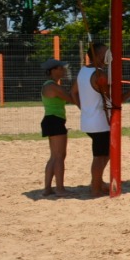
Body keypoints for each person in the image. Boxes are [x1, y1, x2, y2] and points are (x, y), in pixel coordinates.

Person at [70, 42, 130, 198]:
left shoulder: (83, 71)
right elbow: (116, 101)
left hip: (89, 121)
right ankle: (95, 188)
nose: (109, 55)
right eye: (106, 52)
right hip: (99, 123)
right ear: (99, 55)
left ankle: (97, 183)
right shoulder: (99, 75)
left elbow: (73, 93)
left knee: (104, 154)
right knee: (100, 157)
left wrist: (84, 109)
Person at [40, 58, 73, 197]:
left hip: (51, 120)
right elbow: (71, 97)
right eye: (60, 68)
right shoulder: (52, 86)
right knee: (59, 156)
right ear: (53, 70)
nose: (64, 70)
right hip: (55, 120)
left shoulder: (50, 85)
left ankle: (47, 188)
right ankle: (59, 188)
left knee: (54, 156)